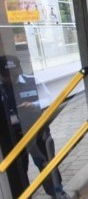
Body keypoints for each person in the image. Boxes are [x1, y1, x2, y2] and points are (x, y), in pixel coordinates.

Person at [0, 55, 70, 199]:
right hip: (13, 138)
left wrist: (34, 105)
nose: (11, 79)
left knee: (46, 163)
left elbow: (50, 100)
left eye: (14, 74)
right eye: (7, 76)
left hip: (37, 132)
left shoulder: (33, 81)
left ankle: (57, 192)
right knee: (18, 170)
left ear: (20, 69)